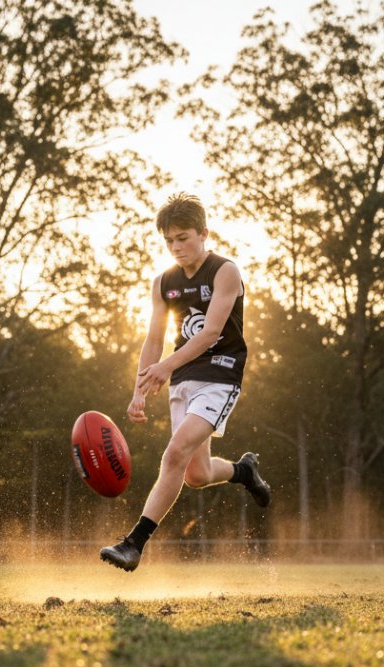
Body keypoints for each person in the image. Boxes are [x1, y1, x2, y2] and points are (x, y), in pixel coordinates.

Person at [100, 193, 270, 572]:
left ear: (203, 233)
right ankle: (244, 471)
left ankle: (134, 544)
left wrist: (165, 367)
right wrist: (139, 388)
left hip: (221, 375)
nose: (176, 247)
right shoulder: (163, 282)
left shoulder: (225, 271)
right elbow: (154, 340)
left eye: (183, 238)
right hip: (184, 378)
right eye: (169, 240)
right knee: (196, 474)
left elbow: (211, 333)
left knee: (174, 452)